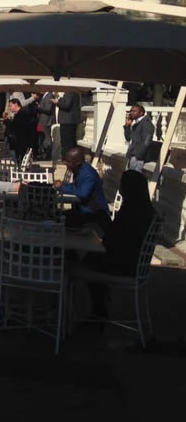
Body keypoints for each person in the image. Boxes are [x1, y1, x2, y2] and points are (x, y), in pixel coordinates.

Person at [80, 170, 155, 317]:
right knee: (90, 257)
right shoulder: (146, 210)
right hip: (134, 264)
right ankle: (98, 309)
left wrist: (102, 218)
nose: (120, 189)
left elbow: (112, 238)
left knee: (81, 262)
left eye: (122, 185)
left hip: (123, 266)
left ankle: (95, 311)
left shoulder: (131, 212)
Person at [56, 147, 109, 229]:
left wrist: (62, 187)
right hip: (84, 211)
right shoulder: (78, 170)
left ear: (78, 162)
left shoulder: (88, 174)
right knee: (56, 216)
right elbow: (76, 187)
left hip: (95, 215)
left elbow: (83, 193)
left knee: (60, 220)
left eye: (68, 162)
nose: (65, 164)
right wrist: (62, 185)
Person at [5, 97, 38, 163]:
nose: (9, 108)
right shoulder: (19, 114)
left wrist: (7, 121)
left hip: (21, 141)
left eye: (11, 106)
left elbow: (17, 126)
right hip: (19, 141)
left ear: (16, 105)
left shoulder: (22, 114)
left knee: (20, 158)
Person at [124, 104, 155, 172]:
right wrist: (127, 126)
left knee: (134, 176)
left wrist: (137, 155)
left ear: (141, 113)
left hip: (137, 158)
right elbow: (128, 138)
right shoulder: (137, 124)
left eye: (134, 111)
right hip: (132, 156)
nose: (131, 113)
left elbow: (146, 141)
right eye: (131, 111)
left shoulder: (146, 124)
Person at [56, 91, 81, 156]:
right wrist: (59, 98)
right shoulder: (73, 92)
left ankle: (67, 157)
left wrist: (57, 102)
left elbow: (66, 105)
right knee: (69, 142)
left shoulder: (69, 92)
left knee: (67, 143)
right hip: (69, 121)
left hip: (67, 121)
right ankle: (69, 157)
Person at [38, 90, 57, 160]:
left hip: (47, 121)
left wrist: (39, 107)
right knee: (45, 138)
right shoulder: (45, 96)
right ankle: (46, 154)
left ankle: (48, 155)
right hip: (44, 120)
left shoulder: (49, 95)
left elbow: (48, 109)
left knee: (47, 138)